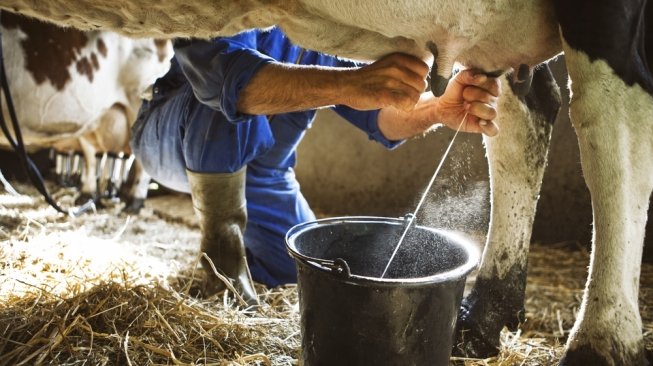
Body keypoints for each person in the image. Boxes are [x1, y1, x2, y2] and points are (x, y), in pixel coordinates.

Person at [130, 27, 501, 306]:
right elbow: (226, 81)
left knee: (305, 270)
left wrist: (437, 109)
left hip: (264, 176)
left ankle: (250, 255)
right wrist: (352, 84)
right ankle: (221, 265)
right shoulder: (233, 10)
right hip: (170, 135)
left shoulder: (322, 26)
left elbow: (381, 116)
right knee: (226, 98)